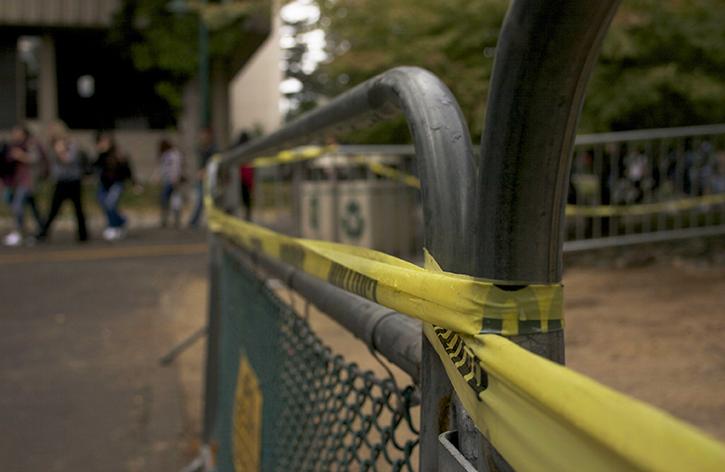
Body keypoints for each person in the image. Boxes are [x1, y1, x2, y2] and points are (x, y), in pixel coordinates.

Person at [37, 135, 88, 243]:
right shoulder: (53, 152)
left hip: (74, 182)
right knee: (53, 209)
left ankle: (83, 234)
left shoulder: (73, 149)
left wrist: (62, 151)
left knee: (78, 209)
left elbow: (68, 160)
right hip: (61, 183)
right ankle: (44, 232)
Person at [2, 125, 45, 246]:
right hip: (16, 182)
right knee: (33, 208)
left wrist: (21, 155)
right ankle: (42, 229)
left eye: (17, 133)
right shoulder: (12, 145)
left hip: (28, 182)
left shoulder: (31, 144)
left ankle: (18, 232)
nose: (14, 135)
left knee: (17, 205)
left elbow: (36, 159)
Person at [94, 131, 136, 241]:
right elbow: (94, 167)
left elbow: (127, 170)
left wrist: (134, 183)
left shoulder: (118, 155)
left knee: (110, 204)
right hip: (104, 185)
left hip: (116, 184)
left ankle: (113, 227)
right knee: (105, 205)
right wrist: (100, 153)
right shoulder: (101, 155)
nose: (103, 143)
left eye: (105, 141)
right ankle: (121, 221)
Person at [187, 128, 217, 228]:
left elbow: (213, 163)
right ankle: (194, 221)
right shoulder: (203, 149)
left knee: (202, 200)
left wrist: (204, 171)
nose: (202, 138)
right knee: (201, 200)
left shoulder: (212, 149)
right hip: (203, 178)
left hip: (208, 178)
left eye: (204, 135)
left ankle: (194, 221)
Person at [158, 138, 184, 228]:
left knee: (173, 200)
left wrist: (175, 178)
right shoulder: (166, 154)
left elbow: (176, 167)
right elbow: (163, 169)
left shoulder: (174, 154)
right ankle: (166, 219)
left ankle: (174, 220)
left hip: (173, 180)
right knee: (167, 199)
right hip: (167, 180)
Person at [237, 131, 254, 221]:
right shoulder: (250, 148)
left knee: (241, 198)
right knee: (247, 200)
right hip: (248, 177)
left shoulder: (237, 148)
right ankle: (247, 217)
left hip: (240, 177)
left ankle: (244, 217)